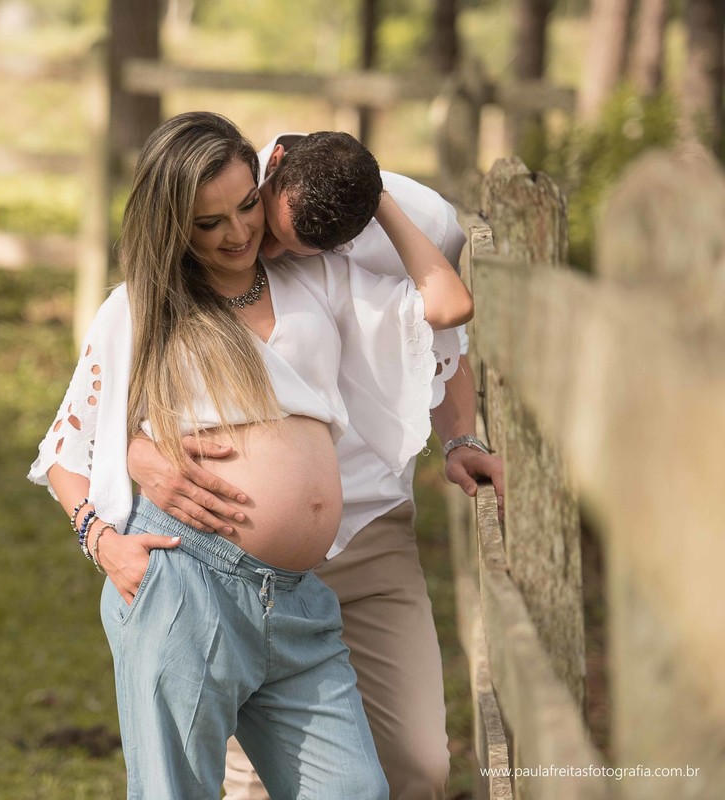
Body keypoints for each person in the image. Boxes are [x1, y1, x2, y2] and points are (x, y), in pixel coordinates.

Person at [28, 112, 472, 799]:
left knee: (356, 790)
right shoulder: (141, 308)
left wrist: (366, 179)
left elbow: (444, 304)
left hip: (298, 601)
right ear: (173, 223)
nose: (237, 234)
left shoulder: (311, 277)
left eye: (245, 208)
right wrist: (103, 541)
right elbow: (67, 445)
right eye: (210, 223)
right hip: (191, 584)